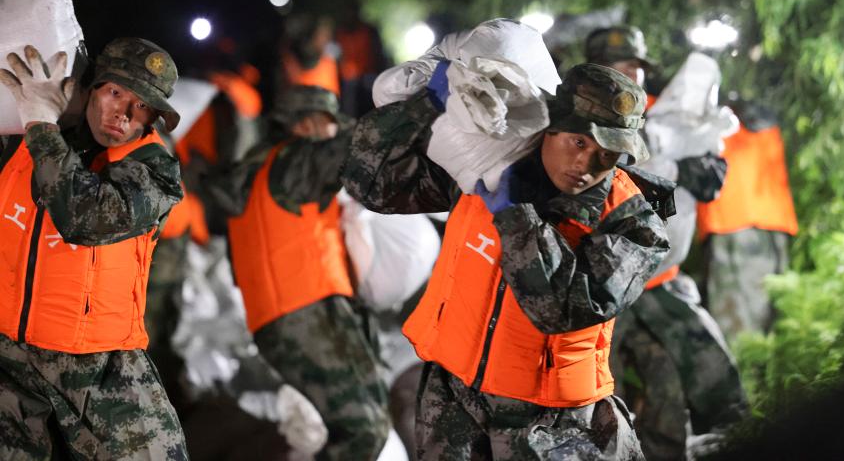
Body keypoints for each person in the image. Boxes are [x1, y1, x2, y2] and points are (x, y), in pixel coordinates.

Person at [343, 61, 670, 460]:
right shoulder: (487, 163)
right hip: (452, 402)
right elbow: (373, 185)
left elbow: (559, 308)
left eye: (607, 153)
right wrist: (425, 106)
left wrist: (514, 215)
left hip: (550, 425)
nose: (586, 166)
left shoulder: (634, 225)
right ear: (550, 126)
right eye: (579, 142)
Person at [0, 38, 188, 459]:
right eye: (115, 92)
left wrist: (41, 125)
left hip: (100, 366)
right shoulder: (20, 140)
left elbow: (85, 218)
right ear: (90, 88)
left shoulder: (155, 169)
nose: (124, 113)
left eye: (141, 105)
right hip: (9, 356)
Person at [585, 26, 748, 460]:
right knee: (597, 398)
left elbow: (707, 172)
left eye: (636, 66)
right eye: (620, 66)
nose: (631, 74)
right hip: (601, 292)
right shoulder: (575, 122)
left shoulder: (663, 115)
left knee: (683, 388)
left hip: (661, 284)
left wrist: (689, 165)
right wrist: (667, 166)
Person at [210, 84, 389, 461]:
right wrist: (416, 105)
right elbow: (355, 145)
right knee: (363, 431)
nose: (333, 131)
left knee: (366, 424)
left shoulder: (257, 172)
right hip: (306, 313)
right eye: (330, 124)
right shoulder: (292, 165)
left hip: (287, 317)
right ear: (307, 124)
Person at [697, 99, 798, 343]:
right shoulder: (757, 107)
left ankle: (744, 365)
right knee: (771, 320)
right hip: (769, 219)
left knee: (738, 327)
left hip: (735, 221)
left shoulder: (715, 109)